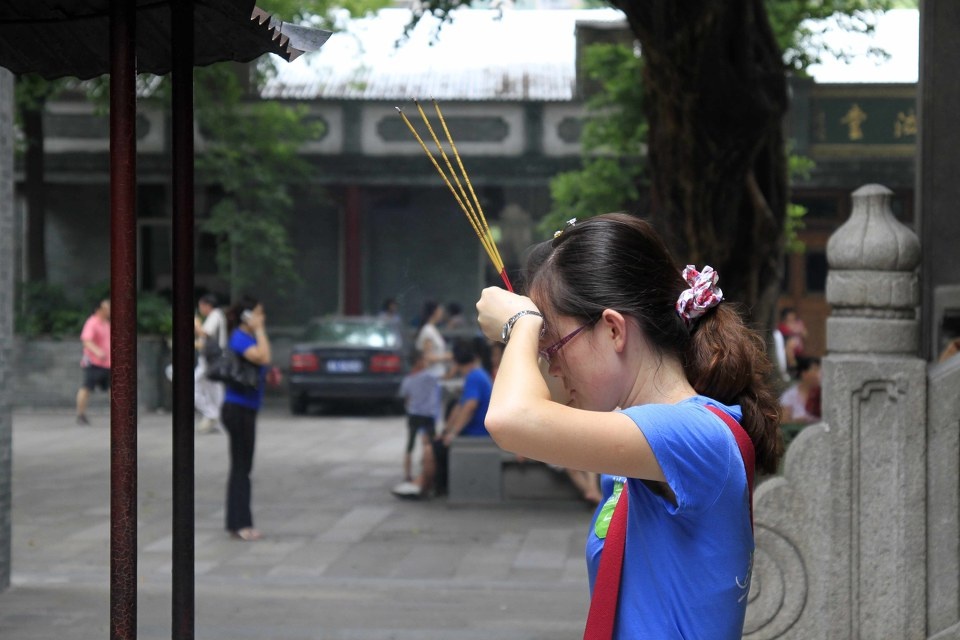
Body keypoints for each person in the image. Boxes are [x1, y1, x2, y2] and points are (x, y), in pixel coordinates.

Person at [475, 213, 783, 639]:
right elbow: (533, 406)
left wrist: (521, 325)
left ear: (614, 330)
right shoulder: (647, 436)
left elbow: (512, 419)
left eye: (556, 345)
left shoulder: (694, 434)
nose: (553, 365)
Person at [220, 296, 272, 541]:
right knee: (241, 468)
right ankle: (240, 524)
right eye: (259, 314)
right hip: (237, 409)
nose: (263, 319)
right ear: (247, 317)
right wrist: (260, 330)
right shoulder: (240, 338)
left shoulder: (248, 337)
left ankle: (239, 522)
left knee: (243, 468)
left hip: (247, 409)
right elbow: (264, 357)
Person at [391, 349, 442, 499]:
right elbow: (445, 377)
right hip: (428, 416)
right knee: (430, 446)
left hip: (414, 414)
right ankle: (430, 473)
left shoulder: (408, 379)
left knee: (410, 445)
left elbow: (404, 396)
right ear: (419, 362)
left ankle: (408, 474)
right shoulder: (429, 376)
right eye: (425, 360)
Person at [194, 292, 228, 433]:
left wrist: (195, 323)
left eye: (201, 306)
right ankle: (217, 421)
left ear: (207, 305)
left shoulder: (215, 315)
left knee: (197, 386)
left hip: (212, 361)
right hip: (214, 360)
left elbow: (204, 333)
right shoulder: (216, 316)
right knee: (213, 390)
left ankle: (212, 415)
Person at [75, 298, 111, 425]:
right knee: (86, 388)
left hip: (108, 363)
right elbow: (86, 341)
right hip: (94, 363)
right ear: (98, 310)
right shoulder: (92, 323)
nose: (109, 311)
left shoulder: (107, 324)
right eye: (106, 308)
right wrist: (98, 352)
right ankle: (80, 414)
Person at [779, 356, 822, 424]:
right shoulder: (789, 396)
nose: (819, 374)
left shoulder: (823, 394)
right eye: (815, 370)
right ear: (804, 374)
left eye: (819, 370)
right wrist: (797, 422)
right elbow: (783, 421)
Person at [415, 300, 450, 378]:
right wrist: (447, 356)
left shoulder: (432, 329)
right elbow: (427, 356)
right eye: (440, 310)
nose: (442, 313)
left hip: (438, 373)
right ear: (435, 311)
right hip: (432, 375)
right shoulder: (428, 330)